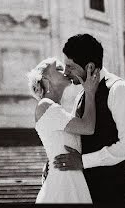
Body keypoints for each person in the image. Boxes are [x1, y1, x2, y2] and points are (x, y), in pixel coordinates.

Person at [52, 33, 125, 205]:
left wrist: (84, 161)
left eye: (70, 67)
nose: (66, 73)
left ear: (90, 66)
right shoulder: (81, 96)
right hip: (84, 191)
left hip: (112, 192)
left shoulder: (119, 90)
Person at [27, 57, 101, 203]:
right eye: (59, 69)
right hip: (62, 184)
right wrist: (90, 93)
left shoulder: (58, 110)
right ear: (46, 79)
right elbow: (88, 127)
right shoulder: (45, 105)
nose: (66, 71)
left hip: (74, 180)